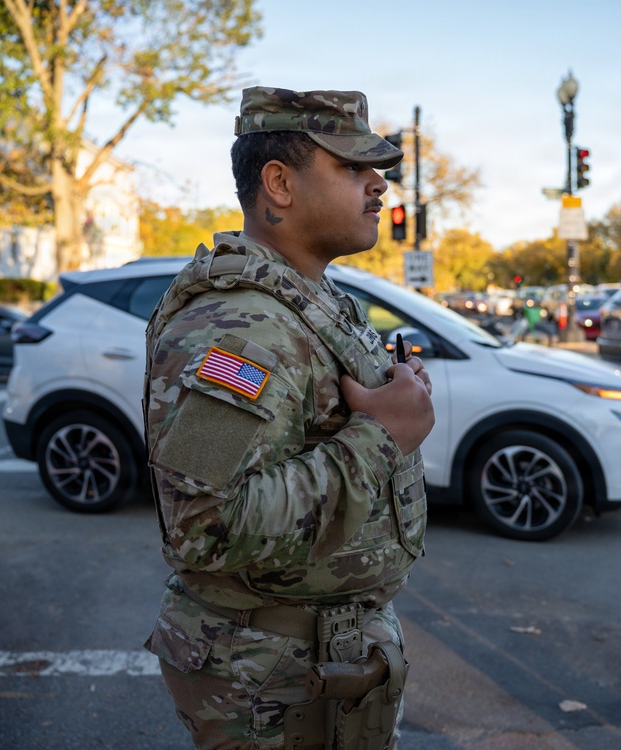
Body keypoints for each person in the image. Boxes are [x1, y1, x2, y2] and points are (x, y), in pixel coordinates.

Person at [142, 86, 435, 750]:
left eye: (378, 170)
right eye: (353, 168)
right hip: (268, 674)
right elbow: (205, 525)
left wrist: (393, 397)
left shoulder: (310, 297)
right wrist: (382, 438)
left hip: (317, 654)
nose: (379, 186)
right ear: (278, 183)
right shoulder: (239, 326)